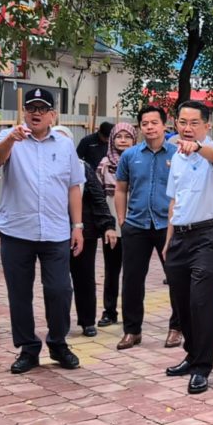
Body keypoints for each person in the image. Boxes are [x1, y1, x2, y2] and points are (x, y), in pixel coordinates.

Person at [0, 88, 85, 373]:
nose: (36, 113)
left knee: (59, 290)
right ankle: (28, 349)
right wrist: (10, 139)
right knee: (19, 293)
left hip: (55, 231)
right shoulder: (9, 137)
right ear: (24, 112)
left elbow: (74, 186)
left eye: (42, 109)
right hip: (16, 231)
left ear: (52, 115)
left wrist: (77, 226)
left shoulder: (65, 144)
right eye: (31, 108)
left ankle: (58, 343)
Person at [162, 100, 213, 394]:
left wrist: (198, 147)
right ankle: (191, 355)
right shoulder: (176, 157)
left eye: (194, 123)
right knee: (182, 304)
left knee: (202, 303)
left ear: (207, 125)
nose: (187, 128)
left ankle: (202, 367)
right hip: (180, 237)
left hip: (208, 237)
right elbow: (174, 201)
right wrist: (168, 241)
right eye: (182, 122)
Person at [115, 105, 181, 350]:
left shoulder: (177, 154)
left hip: (168, 225)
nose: (150, 127)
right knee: (131, 280)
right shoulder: (130, 155)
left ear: (165, 125)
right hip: (136, 225)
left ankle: (177, 328)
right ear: (140, 127)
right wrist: (122, 220)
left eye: (154, 122)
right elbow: (121, 189)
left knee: (175, 277)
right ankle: (132, 331)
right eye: (145, 123)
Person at [54, 125, 118, 338]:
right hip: (54, 232)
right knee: (57, 283)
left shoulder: (82, 168)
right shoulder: (42, 169)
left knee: (84, 278)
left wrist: (108, 225)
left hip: (85, 232)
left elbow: (98, 198)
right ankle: (58, 324)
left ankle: (87, 321)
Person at [96, 123, 137, 327]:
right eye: (118, 136)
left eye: (127, 137)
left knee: (132, 273)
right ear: (111, 140)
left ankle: (132, 314)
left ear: (134, 139)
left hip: (135, 223)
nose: (122, 140)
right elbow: (98, 196)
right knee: (111, 270)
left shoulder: (139, 161)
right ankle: (109, 311)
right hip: (111, 225)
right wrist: (106, 225)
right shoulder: (104, 164)